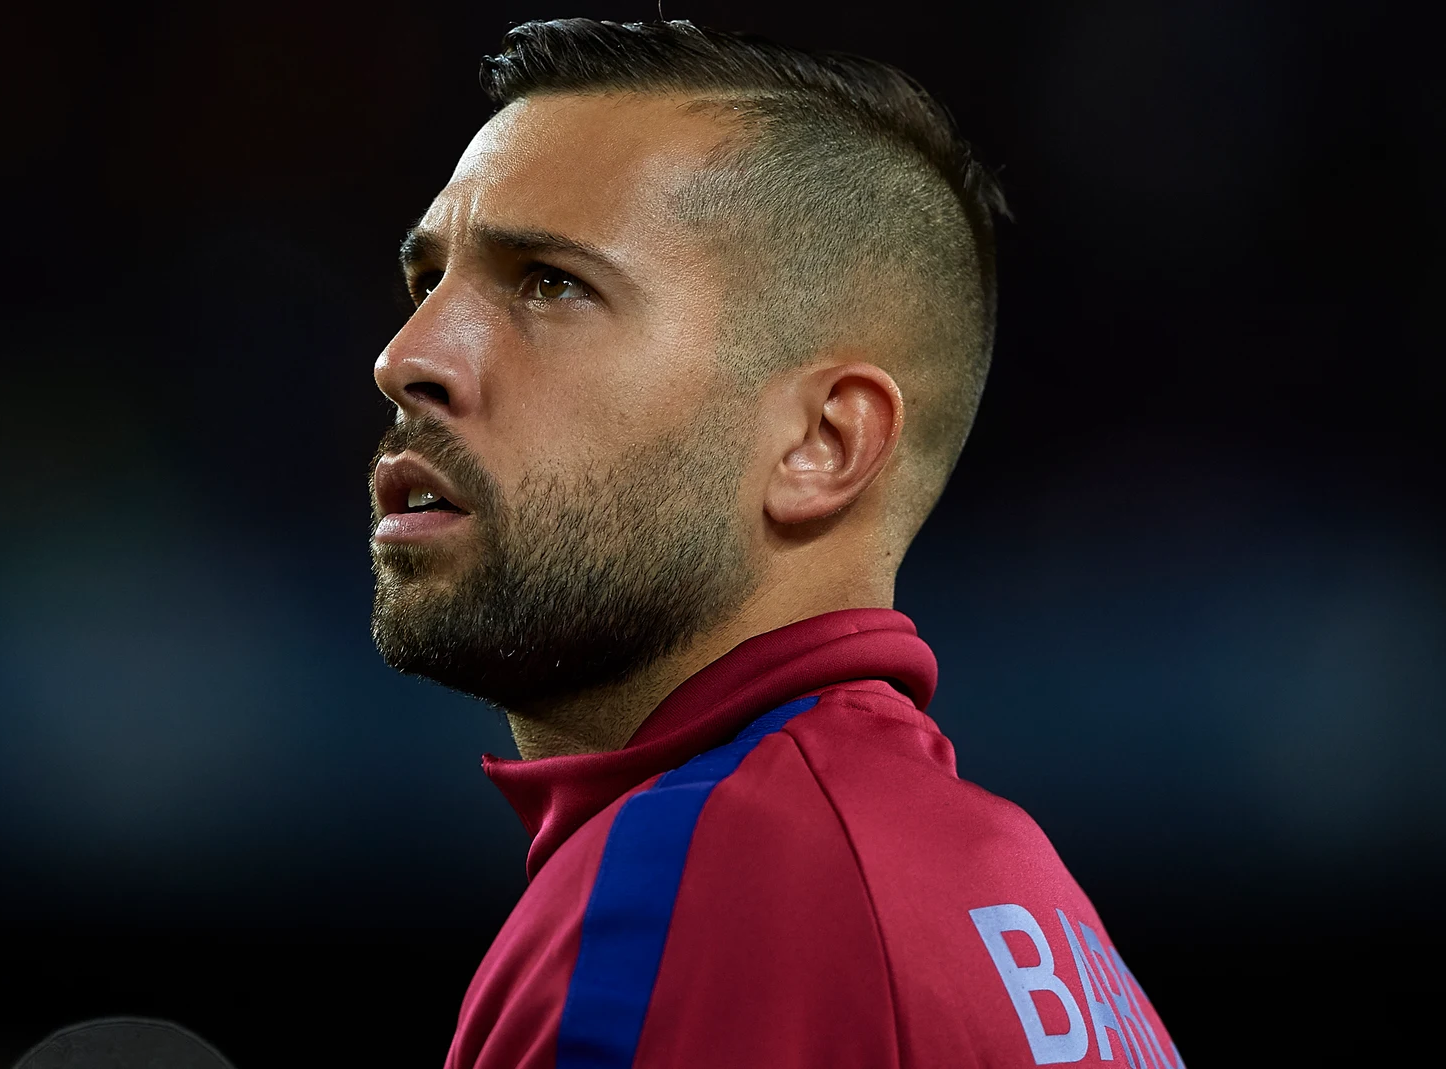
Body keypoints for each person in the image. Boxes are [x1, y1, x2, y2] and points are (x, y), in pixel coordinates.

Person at [367, 18, 1182, 1069]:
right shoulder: (1022, 903)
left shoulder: (706, 884)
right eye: (424, 281)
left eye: (547, 283)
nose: (409, 356)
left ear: (822, 442)